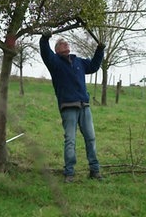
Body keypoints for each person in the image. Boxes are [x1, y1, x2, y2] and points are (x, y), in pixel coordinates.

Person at [39, 30, 105, 183]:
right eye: (61, 44)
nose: (65, 44)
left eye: (66, 43)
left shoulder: (79, 62)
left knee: (91, 138)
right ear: (56, 50)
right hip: (68, 107)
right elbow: (45, 52)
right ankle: (69, 173)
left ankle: (94, 170)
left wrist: (100, 50)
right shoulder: (54, 62)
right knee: (70, 140)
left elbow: (94, 66)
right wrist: (45, 38)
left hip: (84, 106)